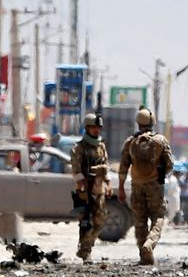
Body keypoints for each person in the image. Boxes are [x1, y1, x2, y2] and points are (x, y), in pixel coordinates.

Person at [118, 107, 174, 265]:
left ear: (138, 122)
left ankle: (144, 256)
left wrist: (121, 188)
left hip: (136, 186)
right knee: (158, 217)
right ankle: (149, 244)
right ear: (153, 122)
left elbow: (123, 168)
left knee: (139, 220)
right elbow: (170, 164)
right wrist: (159, 173)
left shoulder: (130, 142)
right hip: (155, 186)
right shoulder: (160, 141)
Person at [70, 114, 111, 263]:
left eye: (98, 127)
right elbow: (76, 169)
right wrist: (81, 187)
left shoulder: (101, 146)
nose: (96, 130)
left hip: (99, 189)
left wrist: (108, 183)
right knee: (86, 223)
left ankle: (85, 248)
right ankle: (86, 252)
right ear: (87, 128)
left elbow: (106, 166)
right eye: (93, 127)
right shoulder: (79, 148)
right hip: (86, 190)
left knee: (100, 222)